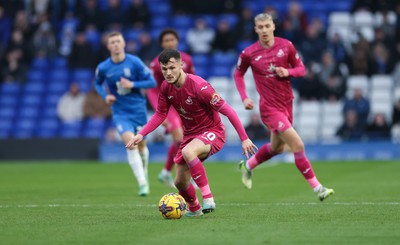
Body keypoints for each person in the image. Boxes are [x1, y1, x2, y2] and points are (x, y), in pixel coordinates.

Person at [126, 49, 257, 216]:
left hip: (213, 131)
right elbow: (160, 114)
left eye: (172, 67)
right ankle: (194, 209)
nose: (168, 72)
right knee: (179, 182)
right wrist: (141, 134)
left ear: (182, 65)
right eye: (164, 69)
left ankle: (208, 198)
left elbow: (228, 111)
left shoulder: (200, 86)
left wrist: (244, 138)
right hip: (190, 135)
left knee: (189, 151)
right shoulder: (166, 87)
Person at [233, 13, 334, 201]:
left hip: (286, 104)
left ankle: (248, 166)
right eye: (260, 27)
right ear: (255, 29)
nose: (264, 30)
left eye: (267, 26)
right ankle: (318, 189)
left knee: (277, 148)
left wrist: (287, 71)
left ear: (273, 26)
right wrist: (244, 97)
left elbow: (301, 69)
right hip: (269, 108)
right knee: (297, 145)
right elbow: (238, 74)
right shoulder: (249, 53)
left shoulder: (286, 45)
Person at [94, 31, 156, 196]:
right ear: (108, 46)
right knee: (130, 142)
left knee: (142, 145)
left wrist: (132, 84)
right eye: (112, 42)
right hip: (120, 112)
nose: (115, 44)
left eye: (118, 41)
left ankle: (145, 176)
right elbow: (97, 83)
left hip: (138, 110)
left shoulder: (134, 62)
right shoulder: (103, 67)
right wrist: (105, 96)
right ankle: (142, 183)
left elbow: (152, 81)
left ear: (123, 44)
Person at [148, 28, 195, 188]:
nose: (169, 43)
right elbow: (152, 89)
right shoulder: (156, 64)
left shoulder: (187, 60)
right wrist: (159, 111)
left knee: (181, 140)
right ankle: (186, 174)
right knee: (181, 139)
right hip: (168, 105)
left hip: (185, 104)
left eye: (172, 40)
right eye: (166, 41)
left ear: (177, 41)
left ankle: (166, 171)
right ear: (162, 43)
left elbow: (192, 81)